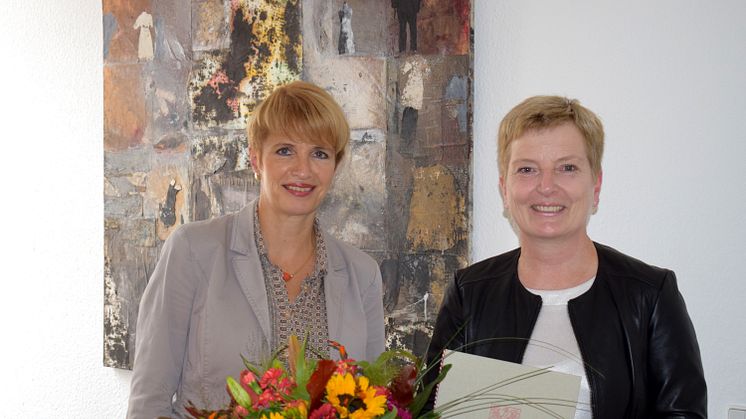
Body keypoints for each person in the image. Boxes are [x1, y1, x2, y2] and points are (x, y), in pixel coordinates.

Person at [426, 96, 706, 418]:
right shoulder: (468, 292)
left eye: (567, 168)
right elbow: (429, 409)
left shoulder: (650, 294)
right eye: (527, 169)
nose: (546, 186)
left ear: (595, 184)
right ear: (505, 188)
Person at [127, 81, 386, 418]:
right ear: (255, 159)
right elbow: (150, 403)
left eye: (319, 153)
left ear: (334, 167)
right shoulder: (193, 251)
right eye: (285, 150)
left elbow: (373, 400)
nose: (303, 169)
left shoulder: (362, 275)